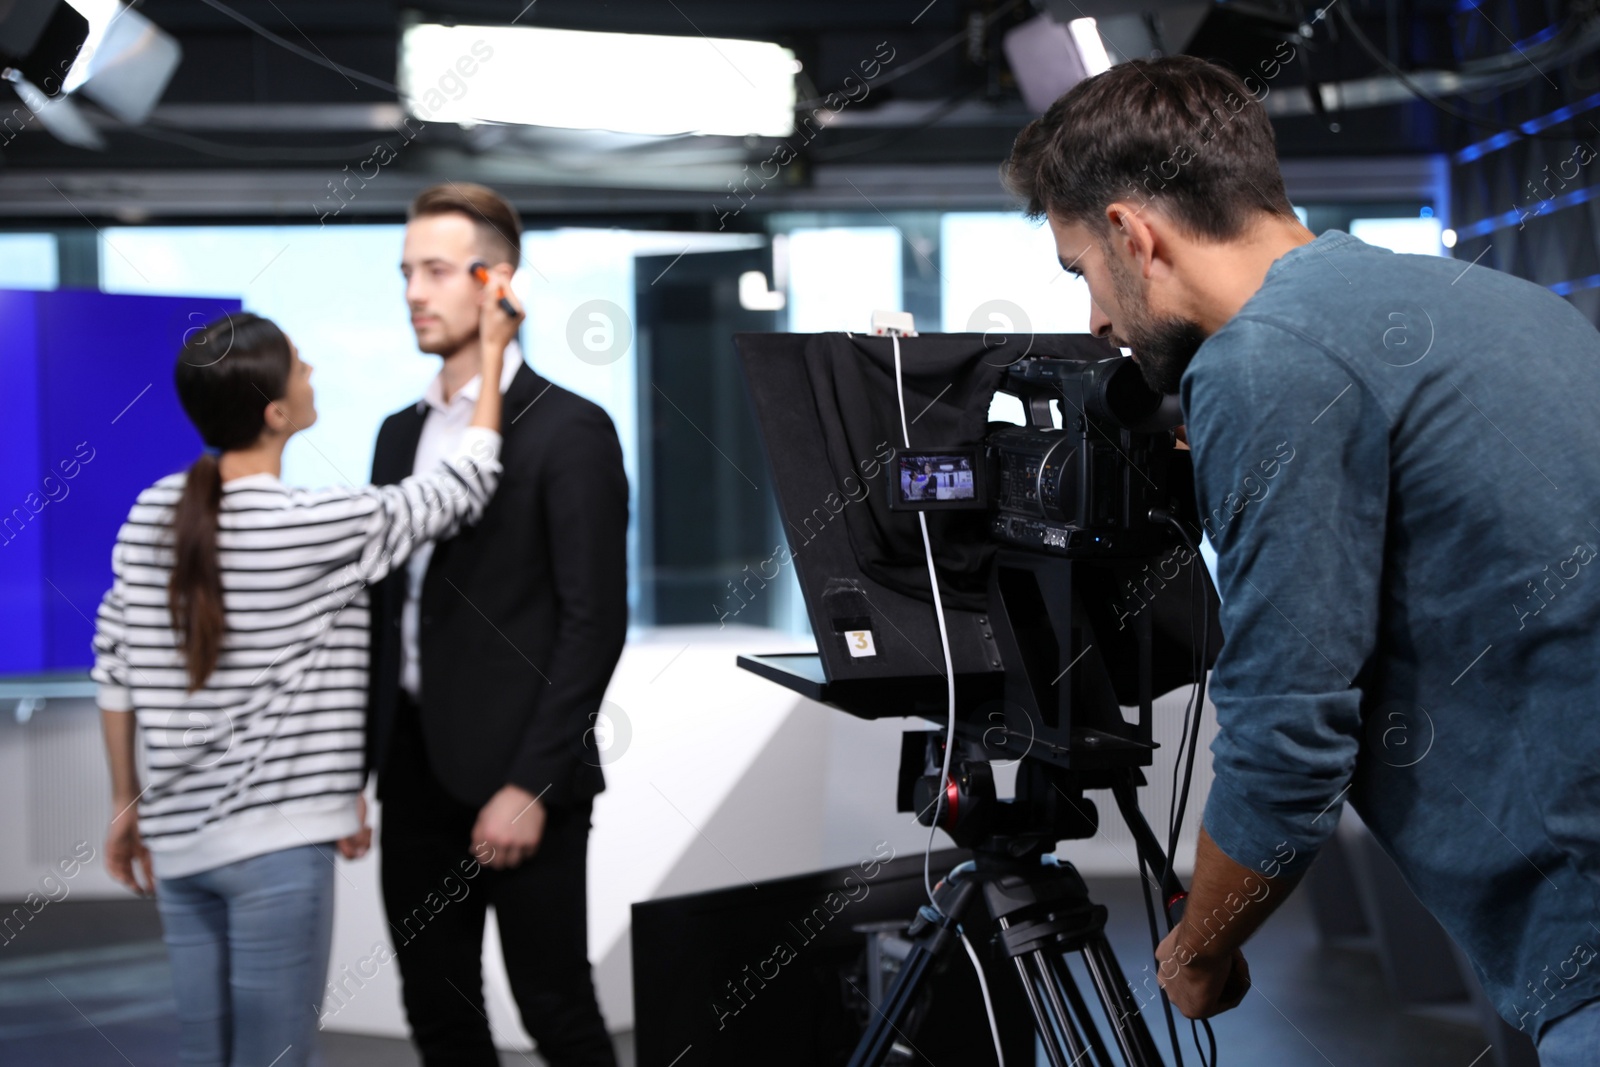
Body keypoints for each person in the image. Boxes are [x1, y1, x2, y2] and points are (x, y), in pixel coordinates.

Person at [1003, 55, 1600, 1063]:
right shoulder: (1500, 304)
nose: (1095, 321)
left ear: (1129, 234)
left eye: (1081, 273)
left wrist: (1195, 952)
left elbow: (1287, 744)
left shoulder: (1267, 361)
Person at [91, 299, 517, 1067]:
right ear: (278, 410)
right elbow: (463, 485)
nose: (314, 368)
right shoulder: (315, 524)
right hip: (278, 847)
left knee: (206, 1052)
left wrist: (127, 802)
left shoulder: (150, 512)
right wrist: (493, 356)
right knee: (276, 1055)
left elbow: (115, 669)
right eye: (299, 362)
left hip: (178, 837)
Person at [367, 182, 629, 1066]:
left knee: (556, 1011)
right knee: (438, 1016)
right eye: (407, 270)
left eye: (436, 270)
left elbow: (593, 624)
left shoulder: (570, 429)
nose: (413, 290)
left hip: (525, 779)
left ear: (495, 280)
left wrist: (529, 786)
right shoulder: (396, 436)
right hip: (410, 771)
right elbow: (389, 609)